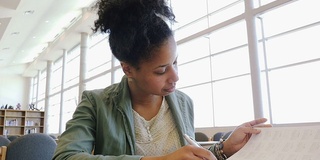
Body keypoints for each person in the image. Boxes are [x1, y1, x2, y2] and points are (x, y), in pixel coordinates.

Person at [52, 0, 270, 159]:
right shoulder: (96, 104)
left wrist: (225, 149)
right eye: (161, 71)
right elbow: (65, 157)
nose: (175, 76)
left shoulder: (183, 102)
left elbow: (187, 153)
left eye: (175, 62)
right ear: (128, 69)